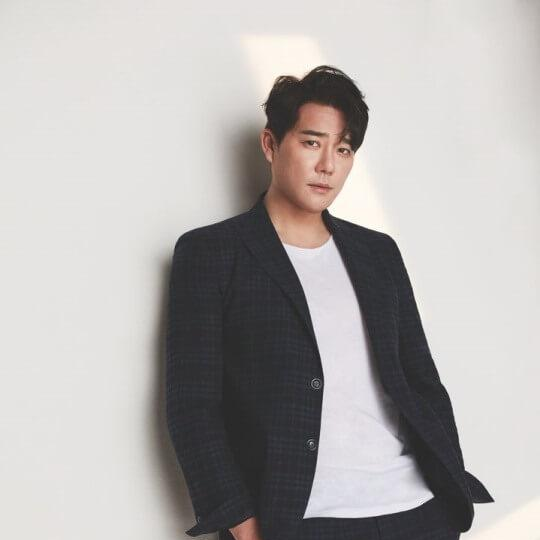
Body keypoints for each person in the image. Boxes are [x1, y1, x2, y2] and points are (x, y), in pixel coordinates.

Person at [165, 65, 494, 540]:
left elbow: (421, 381)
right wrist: (245, 526)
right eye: (311, 142)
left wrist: (448, 495)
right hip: (299, 522)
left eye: (343, 149)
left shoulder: (378, 253)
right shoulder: (213, 253)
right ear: (271, 144)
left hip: (417, 511)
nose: (327, 165)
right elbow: (193, 405)